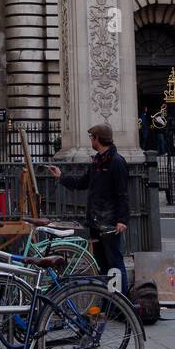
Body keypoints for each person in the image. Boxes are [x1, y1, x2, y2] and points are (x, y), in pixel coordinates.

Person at [46, 124, 130, 293]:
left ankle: (122, 302)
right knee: (103, 264)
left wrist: (122, 220)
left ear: (98, 138)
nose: (90, 140)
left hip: (109, 222)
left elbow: (122, 193)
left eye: (92, 137)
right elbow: (82, 182)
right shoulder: (98, 160)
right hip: (95, 221)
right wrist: (61, 176)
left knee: (115, 263)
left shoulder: (117, 162)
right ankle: (109, 302)